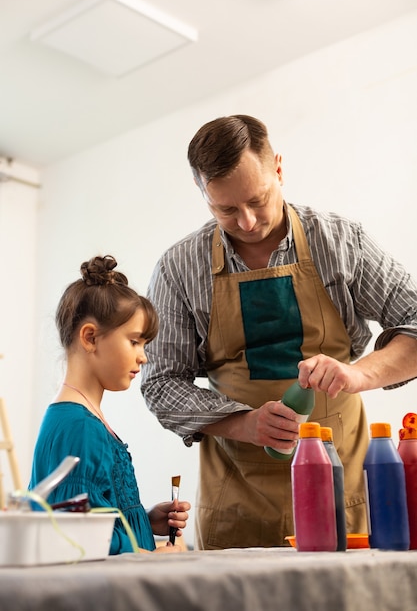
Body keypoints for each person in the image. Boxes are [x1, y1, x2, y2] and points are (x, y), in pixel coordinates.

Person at [140, 114, 417, 551]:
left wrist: (359, 375)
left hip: (342, 487)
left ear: (279, 170)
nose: (247, 221)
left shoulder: (340, 241)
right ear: (203, 196)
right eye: (225, 209)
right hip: (237, 500)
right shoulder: (179, 268)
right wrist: (246, 423)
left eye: (258, 199)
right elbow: (160, 382)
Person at [29, 254, 190, 555]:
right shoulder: (79, 428)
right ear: (90, 337)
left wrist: (143, 519)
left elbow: (99, 519)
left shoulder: (86, 419)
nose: (143, 356)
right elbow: (73, 540)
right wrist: (154, 558)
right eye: (134, 342)